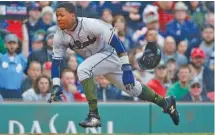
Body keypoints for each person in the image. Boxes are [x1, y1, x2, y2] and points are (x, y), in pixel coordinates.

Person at [48, 2, 179, 128]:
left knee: (83, 69)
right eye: (57, 16)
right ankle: (166, 103)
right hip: (98, 61)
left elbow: (117, 43)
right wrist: (55, 85)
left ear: (72, 15)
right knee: (133, 89)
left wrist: (126, 68)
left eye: (62, 15)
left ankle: (94, 115)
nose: (58, 18)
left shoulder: (91, 24)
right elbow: (56, 63)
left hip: (110, 53)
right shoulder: (60, 36)